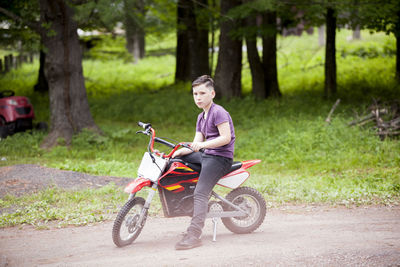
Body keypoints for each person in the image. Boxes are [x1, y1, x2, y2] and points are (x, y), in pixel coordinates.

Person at [173, 75, 235, 250]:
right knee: (178, 160)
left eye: (202, 93)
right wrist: (179, 152)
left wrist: (201, 146)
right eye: (195, 94)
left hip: (220, 158)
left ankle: (194, 234)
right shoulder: (201, 117)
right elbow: (196, 143)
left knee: (200, 194)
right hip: (207, 154)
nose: (198, 97)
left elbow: (225, 138)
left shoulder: (218, 112)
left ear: (212, 93)